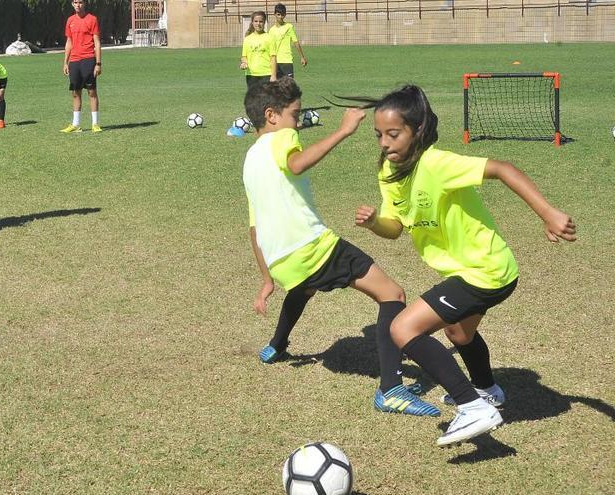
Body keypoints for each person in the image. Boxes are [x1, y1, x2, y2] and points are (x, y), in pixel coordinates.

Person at [353, 85, 577, 446]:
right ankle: (488, 391)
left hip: (485, 271)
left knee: (402, 328)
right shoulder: (389, 172)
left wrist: (548, 214)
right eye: (379, 135)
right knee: (459, 334)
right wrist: (375, 222)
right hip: (477, 272)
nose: (384, 142)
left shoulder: (438, 164)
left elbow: (503, 169)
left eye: (393, 134)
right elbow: (395, 228)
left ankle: (471, 406)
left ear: (418, 130)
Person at [243, 78, 441, 418]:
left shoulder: (249, 161)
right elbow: (297, 164)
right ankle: (391, 390)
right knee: (392, 294)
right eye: (295, 114)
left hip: (282, 259)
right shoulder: (284, 137)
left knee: (304, 287)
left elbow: (253, 228)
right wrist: (344, 130)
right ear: (271, 115)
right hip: (312, 247)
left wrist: (266, 279)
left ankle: (276, 346)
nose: (298, 121)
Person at [60, 0, 102, 133]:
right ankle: (76, 124)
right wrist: (65, 62)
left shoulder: (92, 19)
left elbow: (97, 42)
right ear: (72, 4)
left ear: (85, 4)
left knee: (91, 92)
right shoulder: (70, 20)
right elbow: (69, 42)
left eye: (80, 2)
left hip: (89, 59)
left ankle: (95, 124)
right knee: (75, 92)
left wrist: (98, 63)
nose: (78, 5)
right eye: (75, 2)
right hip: (74, 61)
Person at [240, 11, 277, 91]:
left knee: (267, 101)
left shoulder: (269, 38)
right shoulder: (247, 39)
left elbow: (273, 58)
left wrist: (273, 75)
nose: (258, 24)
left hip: (266, 74)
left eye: (261, 21)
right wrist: (244, 63)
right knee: (254, 101)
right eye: (256, 21)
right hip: (251, 75)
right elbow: (244, 56)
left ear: (264, 23)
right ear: (252, 23)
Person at [269, 3, 307, 79]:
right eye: (278, 14)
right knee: (276, 87)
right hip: (275, 62)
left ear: (285, 15)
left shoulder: (289, 27)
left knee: (289, 87)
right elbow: (269, 47)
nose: (280, 17)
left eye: (282, 15)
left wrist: (302, 57)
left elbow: (295, 42)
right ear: (275, 14)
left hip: (287, 61)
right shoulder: (271, 30)